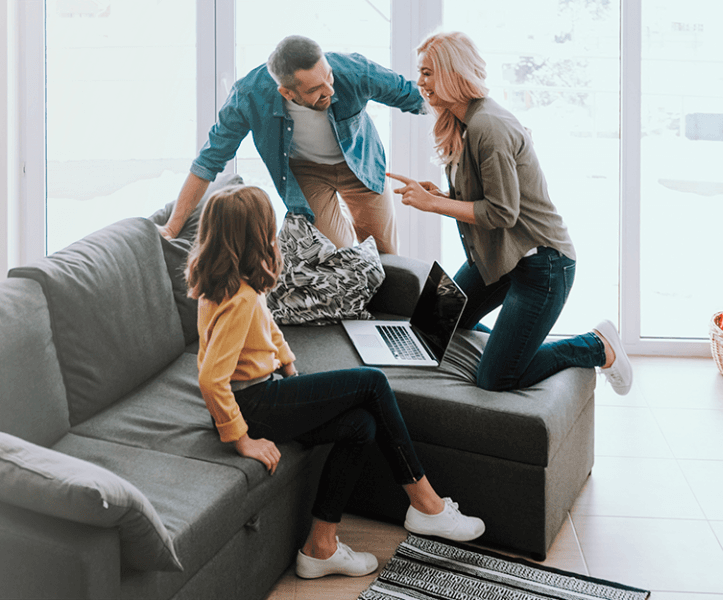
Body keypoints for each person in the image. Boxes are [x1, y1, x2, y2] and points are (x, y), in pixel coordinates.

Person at [186, 184, 485, 579]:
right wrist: (241, 438)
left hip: (265, 393)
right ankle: (425, 504)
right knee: (372, 383)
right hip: (254, 405)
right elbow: (210, 377)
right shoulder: (237, 297)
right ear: (254, 235)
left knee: (360, 426)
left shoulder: (234, 284)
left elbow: (268, 330)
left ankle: (320, 549)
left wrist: (292, 372)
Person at [386, 31, 633, 394]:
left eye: (427, 73)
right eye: (420, 73)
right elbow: (482, 196)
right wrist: (438, 194)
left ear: (453, 73)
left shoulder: (489, 126)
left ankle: (596, 345)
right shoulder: (460, 121)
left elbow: (502, 213)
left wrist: (434, 204)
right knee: (431, 324)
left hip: (541, 264)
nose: (420, 82)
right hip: (500, 254)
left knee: (496, 379)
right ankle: (508, 346)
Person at [160, 35, 426, 254]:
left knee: (386, 255)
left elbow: (414, 95)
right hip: (307, 173)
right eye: (315, 90)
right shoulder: (249, 96)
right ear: (287, 93)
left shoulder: (354, 71)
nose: (330, 91)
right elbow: (208, 162)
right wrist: (171, 228)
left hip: (360, 165)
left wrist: (463, 109)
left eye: (329, 78)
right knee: (340, 257)